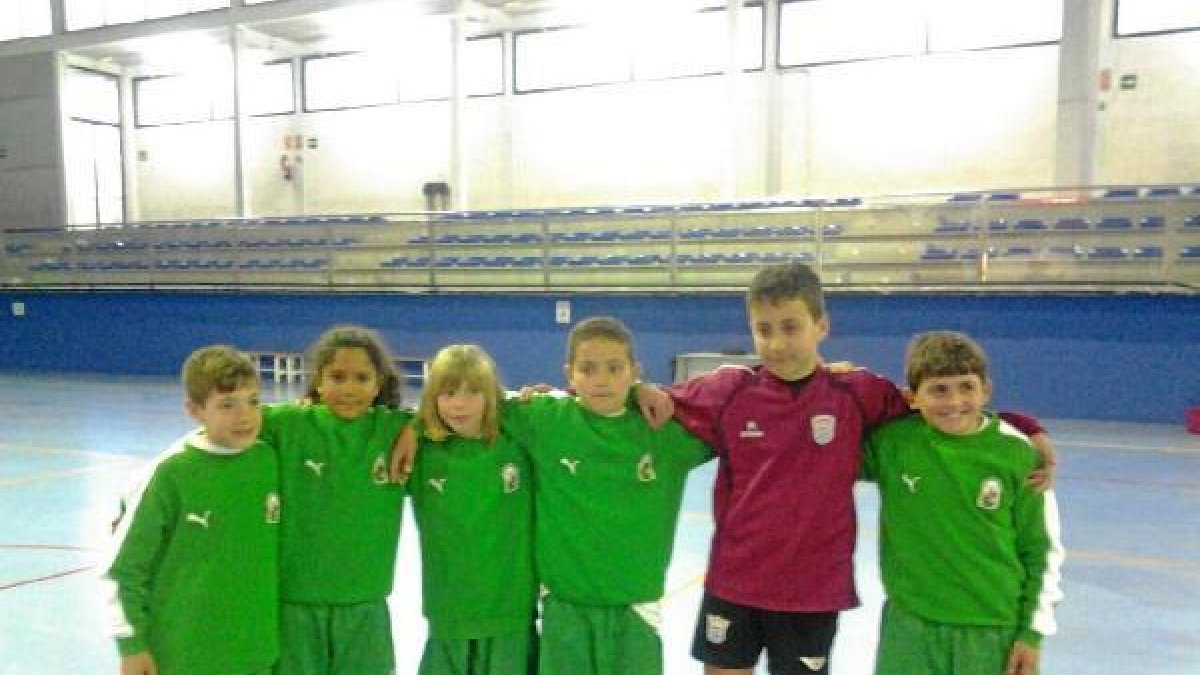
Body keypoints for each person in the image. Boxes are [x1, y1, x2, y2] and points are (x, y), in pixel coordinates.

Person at [664, 262, 1054, 675]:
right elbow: (644, 402)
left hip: (812, 590)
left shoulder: (858, 392)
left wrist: (1023, 427)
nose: (778, 343)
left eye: (791, 327)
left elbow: (942, 404)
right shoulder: (729, 390)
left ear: (822, 326)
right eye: (764, 329)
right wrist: (636, 388)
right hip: (734, 580)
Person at [506, 316, 713, 675]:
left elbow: (736, 410)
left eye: (614, 369)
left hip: (635, 608)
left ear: (635, 371)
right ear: (569, 374)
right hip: (564, 605)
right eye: (588, 369)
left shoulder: (663, 432)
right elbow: (469, 404)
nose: (601, 380)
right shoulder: (545, 419)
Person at [863, 331, 1064, 675]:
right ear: (912, 397)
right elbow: (825, 453)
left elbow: (1042, 550)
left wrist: (1032, 634)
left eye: (966, 387)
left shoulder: (1017, 453)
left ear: (986, 390)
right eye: (938, 389)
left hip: (991, 630)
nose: (954, 401)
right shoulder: (893, 443)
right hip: (909, 627)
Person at [102, 345, 279, 675]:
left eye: (253, 401)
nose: (245, 416)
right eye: (227, 405)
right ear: (196, 411)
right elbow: (125, 570)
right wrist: (131, 646)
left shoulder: (267, 461)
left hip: (255, 652)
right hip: (182, 655)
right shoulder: (170, 474)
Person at [260, 325, 413, 675]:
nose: (349, 389)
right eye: (337, 377)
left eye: (362, 378)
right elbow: (216, 430)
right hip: (295, 607)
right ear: (317, 380)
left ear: (378, 384)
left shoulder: (392, 429)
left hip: (365, 606)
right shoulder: (288, 425)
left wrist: (416, 427)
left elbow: (468, 412)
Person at [407, 344, 537, 675]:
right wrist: (415, 427)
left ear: (493, 396)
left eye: (473, 393)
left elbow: (575, 411)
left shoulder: (519, 441)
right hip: (450, 610)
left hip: (510, 611)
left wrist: (639, 390)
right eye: (448, 393)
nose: (459, 404)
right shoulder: (420, 452)